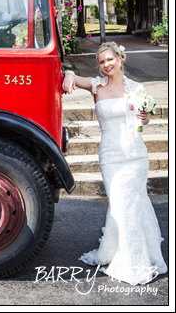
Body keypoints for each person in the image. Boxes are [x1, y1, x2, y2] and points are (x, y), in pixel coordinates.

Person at [62, 42, 167, 285]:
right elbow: (71, 76)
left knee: (128, 205)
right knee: (120, 204)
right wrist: (68, 73)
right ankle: (117, 250)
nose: (106, 65)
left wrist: (146, 117)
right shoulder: (96, 86)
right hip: (110, 155)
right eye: (101, 62)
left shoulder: (137, 88)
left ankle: (133, 261)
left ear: (120, 58)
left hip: (134, 154)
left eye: (110, 59)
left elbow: (144, 121)